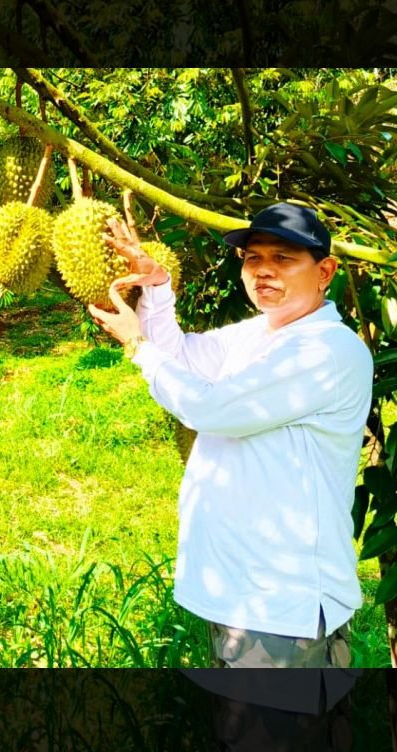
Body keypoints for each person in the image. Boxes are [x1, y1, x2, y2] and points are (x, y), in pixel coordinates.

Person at [88, 202, 374, 668]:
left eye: (283, 259)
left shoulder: (327, 351)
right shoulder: (263, 334)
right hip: (242, 593)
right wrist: (157, 286)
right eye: (253, 258)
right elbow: (181, 356)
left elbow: (208, 408)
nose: (263, 271)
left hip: (283, 605)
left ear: (325, 271)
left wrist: (136, 345)